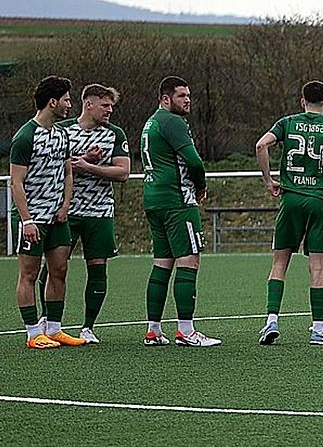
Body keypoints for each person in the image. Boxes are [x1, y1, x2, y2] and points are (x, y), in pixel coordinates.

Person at [255, 80, 323, 346]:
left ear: (301, 101)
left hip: (291, 199)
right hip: (319, 201)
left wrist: (269, 180)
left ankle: (271, 320)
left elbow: (261, 145)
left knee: (279, 262)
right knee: (317, 264)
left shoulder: (287, 122)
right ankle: (318, 329)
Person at [37, 83, 130, 344]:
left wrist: (90, 167)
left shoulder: (115, 134)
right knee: (54, 267)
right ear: (88, 104)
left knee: (98, 269)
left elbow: (123, 172)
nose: (110, 110)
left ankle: (88, 327)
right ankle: (49, 320)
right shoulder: (63, 130)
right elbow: (53, 164)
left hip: (99, 213)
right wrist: (83, 159)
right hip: (64, 211)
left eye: (112, 105)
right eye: (105, 105)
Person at [141, 76, 220, 347]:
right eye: (181, 96)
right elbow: (195, 162)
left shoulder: (151, 121)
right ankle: (186, 330)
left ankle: (153, 330)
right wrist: (200, 187)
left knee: (162, 262)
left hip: (153, 198)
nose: (187, 100)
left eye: (188, 95)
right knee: (189, 260)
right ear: (166, 99)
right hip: (177, 201)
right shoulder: (172, 121)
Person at [10, 76, 83, 349]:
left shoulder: (62, 134)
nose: (69, 104)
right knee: (29, 273)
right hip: (33, 219)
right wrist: (27, 220)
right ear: (52, 102)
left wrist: (65, 205)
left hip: (57, 217)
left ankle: (54, 329)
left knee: (60, 269)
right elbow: (16, 182)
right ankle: (32, 333)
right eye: (66, 99)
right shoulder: (25, 136)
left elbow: (67, 172)